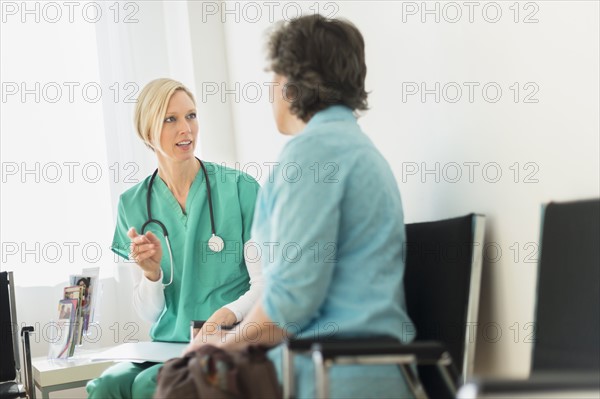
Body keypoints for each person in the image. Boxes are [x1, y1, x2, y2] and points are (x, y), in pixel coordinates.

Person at [187, 14, 415, 399]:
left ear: (292, 85)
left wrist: (214, 351)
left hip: (327, 375)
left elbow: (290, 303)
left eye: (274, 79)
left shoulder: (313, 155)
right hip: (360, 367)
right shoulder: (360, 150)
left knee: (176, 382)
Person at [87, 78, 262, 398]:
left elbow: (267, 284)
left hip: (227, 341)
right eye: (171, 119)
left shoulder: (239, 189)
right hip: (165, 345)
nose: (187, 128)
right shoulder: (133, 203)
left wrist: (225, 316)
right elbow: (149, 313)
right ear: (147, 131)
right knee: (107, 385)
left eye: (191, 116)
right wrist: (152, 273)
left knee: (147, 386)